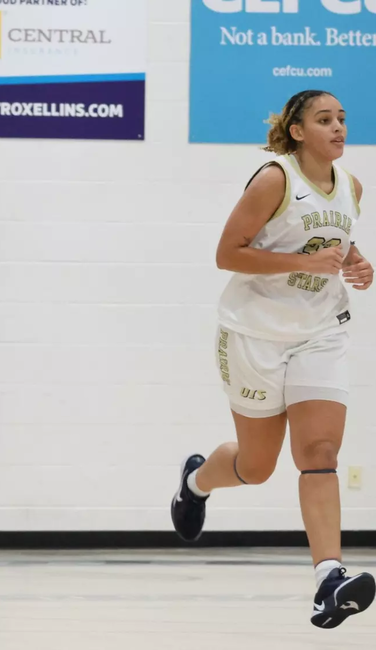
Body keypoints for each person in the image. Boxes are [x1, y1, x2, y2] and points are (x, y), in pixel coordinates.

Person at [171, 89, 375, 629]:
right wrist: (300, 260)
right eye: (324, 119)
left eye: (342, 119)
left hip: (321, 332)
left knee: (320, 451)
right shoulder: (275, 179)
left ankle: (328, 579)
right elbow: (227, 253)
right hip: (255, 334)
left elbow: (335, 242)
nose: (337, 128)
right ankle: (195, 482)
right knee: (256, 467)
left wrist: (356, 264)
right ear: (299, 130)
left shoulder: (351, 186)